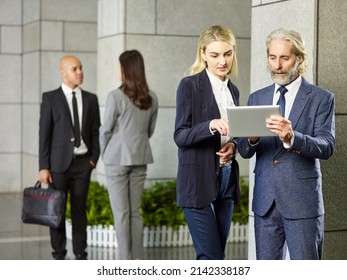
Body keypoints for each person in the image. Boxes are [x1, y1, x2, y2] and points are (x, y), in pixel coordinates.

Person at [237, 28, 335, 260]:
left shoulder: (321, 98)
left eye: (284, 58)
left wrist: (293, 138)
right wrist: (251, 139)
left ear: (299, 59)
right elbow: (244, 150)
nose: (277, 65)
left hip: (302, 202)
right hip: (265, 203)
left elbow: (327, 146)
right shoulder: (257, 98)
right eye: (272, 58)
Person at [173, 25, 241, 260]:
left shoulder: (233, 90)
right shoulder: (190, 85)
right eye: (214, 55)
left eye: (227, 54)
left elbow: (235, 135)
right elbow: (180, 135)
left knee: (216, 256)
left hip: (226, 178)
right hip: (197, 181)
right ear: (202, 53)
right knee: (211, 257)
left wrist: (233, 147)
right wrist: (210, 124)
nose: (222, 61)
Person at [39, 55, 100, 260]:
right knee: (56, 211)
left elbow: (94, 132)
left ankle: (80, 254)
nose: (80, 72)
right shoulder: (50, 98)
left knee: (79, 211)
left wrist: (93, 159)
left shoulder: (91, 99)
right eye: (74, 69)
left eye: (81, 68)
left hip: (83, 164)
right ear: (63, 72)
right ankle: (58, 254)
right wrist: (43, 167)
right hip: (57, 166)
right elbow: (44, 135)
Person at [99, 50, 158, 260]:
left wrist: (104, 153)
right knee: (135, 212)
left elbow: (105, 129)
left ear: (125, 69)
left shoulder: (115, 96)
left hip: (116, 160)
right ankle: (137, 262)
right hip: (140, 158)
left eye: (119, 66)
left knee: (122, 214)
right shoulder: (152, 98)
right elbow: (149, 131)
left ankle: (124, 263)